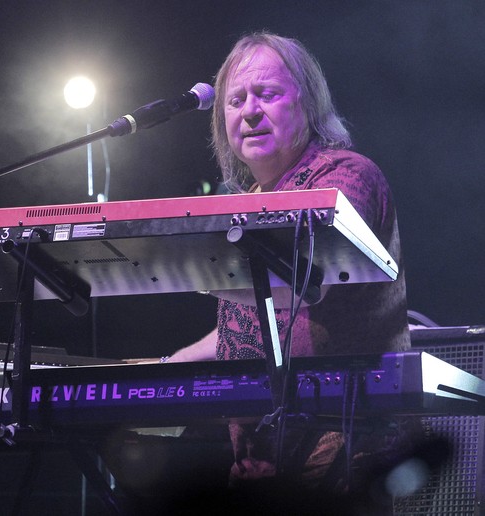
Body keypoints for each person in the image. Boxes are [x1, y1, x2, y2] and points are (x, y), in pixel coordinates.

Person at [163, 32, 414, 503]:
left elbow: (299, 285)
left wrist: (191, 268)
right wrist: (170, 365)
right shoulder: (250, 201)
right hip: (264, 451)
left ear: (308, 103)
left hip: (348, 442)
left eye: (267, 94)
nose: (249, 112)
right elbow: (256, 320)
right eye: (236, 100)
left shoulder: (345, 175)